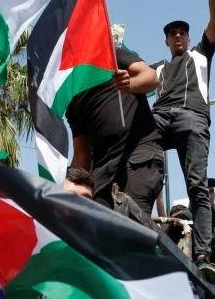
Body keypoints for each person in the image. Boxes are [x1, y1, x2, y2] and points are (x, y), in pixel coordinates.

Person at [152, 0, 215, 267]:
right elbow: (128, 69)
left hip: (193, 119)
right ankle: (140, 226)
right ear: (166, 40)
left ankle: (204, 255)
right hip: (161, 117)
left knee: (197, 185)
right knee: (135, 151)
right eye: (172, 32)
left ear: (189, 37)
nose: (178, 35)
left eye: (182, 31)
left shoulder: (201, 55)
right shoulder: (159, 68)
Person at [67, 42, 164, 216]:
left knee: (131, 223)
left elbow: (152, 77)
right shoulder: (71, 95)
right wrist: (71, 185)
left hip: (138, 154)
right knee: (99, 229)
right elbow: (81, 153)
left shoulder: (113, 55)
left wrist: (130, 83)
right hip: (102, 171)